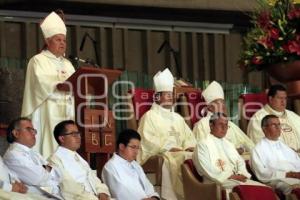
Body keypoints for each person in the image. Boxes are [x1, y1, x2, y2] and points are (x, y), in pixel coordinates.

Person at [21, 11, 75, 158]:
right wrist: (59, 83)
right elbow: (40, 84)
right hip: (47, 111)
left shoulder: (68, 64)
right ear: (48, 41)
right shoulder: (38, 60)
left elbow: (77, 84)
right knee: (48, 148)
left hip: (67, 111)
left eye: (64, 40)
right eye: (58, 40)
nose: (62, 43)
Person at [137, 68, 196, 200]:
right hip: (164, 154)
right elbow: (147, 141)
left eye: (171, 94)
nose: (171, 97)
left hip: (181, 153)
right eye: (167, 94)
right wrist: (168, 147)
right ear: (157, 97)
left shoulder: (178, 118)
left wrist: (189, 146)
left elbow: (189, 137)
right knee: (180, 157)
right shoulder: (149, 117)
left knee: (192, 155)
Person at [193, 112, 264, 198]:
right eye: (220, 124)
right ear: (211, 126)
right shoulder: (203, 145)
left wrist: (242, 174)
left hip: (235, 180)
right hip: (216, 183)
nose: (224, 128)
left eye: (226, 125)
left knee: (265, 189)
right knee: (251, 191)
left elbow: (240, 162)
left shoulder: (229, 144)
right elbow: (206, 169)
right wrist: (230, 176)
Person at [48, 120, 111, 200]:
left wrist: (102, 192)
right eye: (74, 134)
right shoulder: (55, 160)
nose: (79, 137)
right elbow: (69, 189)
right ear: (62, 138)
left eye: (78, 133)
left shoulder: (78, 157)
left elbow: (93, 178)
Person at [3, 117, 62, 199]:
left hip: (53, 194)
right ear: (16, 133)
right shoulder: (13, 155)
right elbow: (38, 177)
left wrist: (44, 169)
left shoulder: (35, 153)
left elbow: (57, 173)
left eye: (34, 130)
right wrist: (46, 168)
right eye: (29, 129)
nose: (34, 133)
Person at [193, 81, 254, 155]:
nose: (224, 106)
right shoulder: (202, 124)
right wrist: (232, 151)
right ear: (210, 107)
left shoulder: (230, 124)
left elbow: (250, 144)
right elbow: (204, 149)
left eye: (224, 103)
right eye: (220, 103)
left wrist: (243, 149)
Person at [102, 129, 160, 200]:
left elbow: (148, 186)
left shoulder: (135, 164)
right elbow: (121, 194)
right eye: (133, 147)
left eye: (138, 148)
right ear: (122, 147)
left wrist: (154, 197)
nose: (136, 152)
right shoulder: (110, 167)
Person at [251, 115, 300, 195]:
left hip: (296, 176)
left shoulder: (285, 146)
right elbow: (262, 173)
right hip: (278, 180)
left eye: (279, 124)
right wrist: (289, 174)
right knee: (296, 188)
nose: (278, 127)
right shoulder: (257, 149)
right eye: (274, 125)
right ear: (264, 129)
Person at [247, 84, 300, 152]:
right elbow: (261, 147)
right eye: (280, 98)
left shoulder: (293, 116)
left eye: (285, 98)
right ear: (271, 99)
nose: (283, 102)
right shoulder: (258, 119)